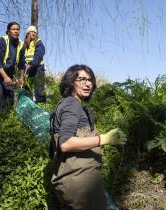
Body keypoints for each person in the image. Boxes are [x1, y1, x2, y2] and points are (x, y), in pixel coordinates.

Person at [50, 64, 127, 210]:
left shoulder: (72, 104)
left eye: (90, 80)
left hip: (78, 182)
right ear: (71, 82)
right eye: (82, 79)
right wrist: (103, 139)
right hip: (81, 185)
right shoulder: (72, 104)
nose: (88, 84)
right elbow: (65, 143)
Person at [24, 25, 46, 102]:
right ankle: (29, 110)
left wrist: (31, 64)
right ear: (27, 33)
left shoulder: (38, 42)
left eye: (34, 32)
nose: (33, 33)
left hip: (38, 69)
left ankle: (42, 107)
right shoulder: (24, 44)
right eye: (31, 32)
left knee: (39, 91)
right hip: (28, 70)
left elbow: (39, 55)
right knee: (27, 91)